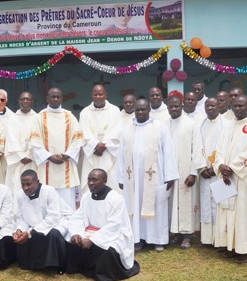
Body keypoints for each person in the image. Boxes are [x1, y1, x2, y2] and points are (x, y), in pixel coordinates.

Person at [117, 98, 178, 252]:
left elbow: (169, 151)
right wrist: (121, 177)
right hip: (134, 179)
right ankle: (138, 238)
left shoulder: (159, 127)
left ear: (149, 110)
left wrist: (170, 175)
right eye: (138, 109)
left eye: (143, 109)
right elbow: (120, 155)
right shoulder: (127, 128)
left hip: (155, 176)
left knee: (156, 206)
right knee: (135, 206)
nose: (140, 112)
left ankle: (158, 239)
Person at [213, 95, 247, 263]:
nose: (237, 108)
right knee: (228, 212)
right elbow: (219, 148)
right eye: (235, 106)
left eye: (241, 106)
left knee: (244, 213)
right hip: (226, 176)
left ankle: (246, 250)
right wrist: (221, 165)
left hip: (245, 177)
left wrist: (232, 168)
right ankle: (230, 246)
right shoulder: (228, 125)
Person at [67, 169, 140, 281]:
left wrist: (93, 240)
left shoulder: (116, 199)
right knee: (73, 241)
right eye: (89, 180)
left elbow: (114, 225)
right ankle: (81, 268)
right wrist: (76, 233)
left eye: (95, 180)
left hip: (114, 234)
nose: (91, 183)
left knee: (107, 251)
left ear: (104, 181)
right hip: (91, 231)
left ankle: (101, 273)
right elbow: (78, 217)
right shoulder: (86, 197)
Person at [30, 87, 84, 210]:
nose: (55, 99)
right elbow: (35, 142)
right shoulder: (39, 117)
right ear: (47, 98)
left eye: (58, 97)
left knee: (67, 206)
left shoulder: (69, 116)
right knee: (47, 203)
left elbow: (78, 139)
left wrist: (67, 155)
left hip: (66, 165)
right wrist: (49, 157)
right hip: (47, 165)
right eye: (52, 96)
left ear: (62, 98)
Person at [165, 92, 206, 249]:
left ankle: (187, 235)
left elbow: (197, 149)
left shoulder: (190, 124)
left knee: (186, 202)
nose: (174, 109)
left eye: (177, 106)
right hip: (169, 172)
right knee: (172, 202)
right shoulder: (164, 125)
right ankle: (175, 233)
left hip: (186, 171)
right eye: (171, 107)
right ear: (167, 108)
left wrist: (194, 172)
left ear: (182, 106)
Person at [13, 169, 71, 273]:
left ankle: (57, 267)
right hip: (35, 225)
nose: (25, 188)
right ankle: (34, 265)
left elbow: (53, 217)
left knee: (53, 234)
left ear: (37, 182)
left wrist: (31, 232)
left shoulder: (49, 191)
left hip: (59, 221)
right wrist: (20, 230)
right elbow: (21, 218)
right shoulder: (20, 195)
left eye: (29, 184)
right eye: (23, 184)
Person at [79, 84, 121, 195]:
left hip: (109, 153)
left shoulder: (115, 111)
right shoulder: (85, 112)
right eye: (95, 94)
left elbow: (117, 132)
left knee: (111, 184)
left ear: (105, 95)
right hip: (92, 154)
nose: (98, 96)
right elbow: (83, 133)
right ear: (91, 95)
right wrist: (95, 145)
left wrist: (103, 145)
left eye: (100, 94)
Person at [199, 97, 228, 245]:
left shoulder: (226, 124)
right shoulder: (201, 124)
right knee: (206, 203)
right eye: (207, 106)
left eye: (213, 105)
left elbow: (227, 149)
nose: (210, 108)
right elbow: (197, 147)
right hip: (204, 172)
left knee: (221, 204)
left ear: (219, 106)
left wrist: (215, 167)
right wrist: (202, 167)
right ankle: (207, 239)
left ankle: (221, 240)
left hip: (220, 173)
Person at [5, 91, 38, 194]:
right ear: (19, 101)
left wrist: (30, 155)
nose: (25, 101)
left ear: (32, 101)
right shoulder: (12, 118)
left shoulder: (37, 118)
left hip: (32, 160)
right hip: (18, 160)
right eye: (23, 99)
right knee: (17, 188)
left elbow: (39, 138)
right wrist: (21, 156)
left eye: (28, 99)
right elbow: (11, 139)